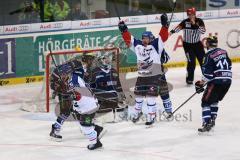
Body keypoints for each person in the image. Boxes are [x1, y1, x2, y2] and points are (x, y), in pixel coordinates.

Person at [118, 13, 173, 126]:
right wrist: (124, 30)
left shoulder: (157, 44)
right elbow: (129, 39)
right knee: (138, 97)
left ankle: (151, 117)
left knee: (150, 97)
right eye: (143, 38)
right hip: (142, 76)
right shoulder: (137, 45)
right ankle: (138, 113)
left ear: (151, 38)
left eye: (146, 38)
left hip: (154, 76)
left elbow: (163, 36)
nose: (144, 40)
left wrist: (164, 25)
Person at [49, 56, 104, 150]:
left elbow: (77, 92)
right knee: (68, 112)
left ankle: (92, 133)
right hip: (85, 103)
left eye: (64, 75)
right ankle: (56, 129)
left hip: (87, 104)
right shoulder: (73, 71)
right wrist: (60, 87)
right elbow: (58, 86)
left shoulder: (75, 78)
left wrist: (66, 90)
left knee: (82, 121)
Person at [195, 36, 232, 133]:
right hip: (228, 81)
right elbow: (230, 65)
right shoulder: (224, 52)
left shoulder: (208, 55)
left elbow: (208, 75)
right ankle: (212, 120)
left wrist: (200, 83)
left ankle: (207, 123)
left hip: (216, 82)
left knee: (205, 102)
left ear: (207, 44)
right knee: (214, 100)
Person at [170, 7, 206, 85]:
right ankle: (189, 79)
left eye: (192, 14)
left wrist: (194, 24)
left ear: (195, 14)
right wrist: (170, 33)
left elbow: (203, 31)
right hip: (188, 45)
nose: (190, 16)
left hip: (198, 44)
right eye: (189, 15)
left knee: (203, 61)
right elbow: (177, 28)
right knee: (191, 62)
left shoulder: (199, 21)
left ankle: (206, 77)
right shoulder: (185, 22)